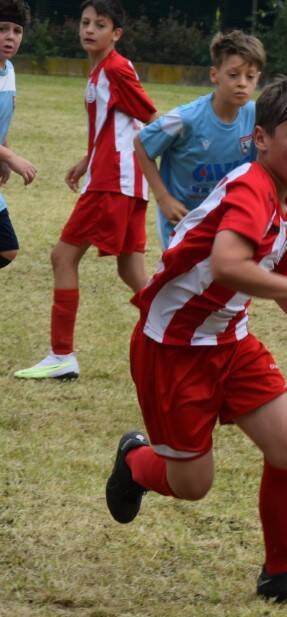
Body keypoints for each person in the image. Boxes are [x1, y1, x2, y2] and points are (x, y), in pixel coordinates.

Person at [104, 79, 287, 612]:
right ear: (260, 138)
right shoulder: (250, 191)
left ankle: (280, 576)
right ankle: (136, 461)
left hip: (230, 341)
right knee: (192, 484)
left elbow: (276, 269)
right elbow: (228, 265)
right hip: (173, 349)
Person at [14, 0, 155, 380]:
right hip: (120, 180)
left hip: (113, 184)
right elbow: (118, 126)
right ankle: (180, 337)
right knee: (131, 270)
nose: (89, 29)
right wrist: (86, 159)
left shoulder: (115, 69)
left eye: (100, 24)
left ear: (117, 34)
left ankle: (62, 355)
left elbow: (152, 119)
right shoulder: (99, 70)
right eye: (85, 22)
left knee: (63, 258)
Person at [135, 29, 264, 250]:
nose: (242, 83)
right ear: (214, 75)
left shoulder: (256, 116)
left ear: (258, 78)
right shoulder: (186, 119)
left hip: (228, 222)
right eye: (233, 75)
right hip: (183, 224)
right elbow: (141, 143)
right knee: (183, 283)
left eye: (249, 77)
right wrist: (163, 198)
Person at [0, 0, 37, 273]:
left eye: (17, 30)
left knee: (6, 248)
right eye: (2, 29)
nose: (10, 37)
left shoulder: (9, 71)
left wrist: (3, 150)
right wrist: (11, 157)